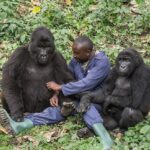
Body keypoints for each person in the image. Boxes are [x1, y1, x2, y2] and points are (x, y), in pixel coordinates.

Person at [0, 36, 113, 149]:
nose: (74, 55)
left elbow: (87, 84)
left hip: (98, 100)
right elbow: (67, 78)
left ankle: (105, 138)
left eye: (77, 53)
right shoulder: (76, 61)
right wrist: (56, 94)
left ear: (88, 52)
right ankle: (22, 125)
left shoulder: (102, 62)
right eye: (73, 52)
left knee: (87, 106)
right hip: (79, 97)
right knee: (60, 109)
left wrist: (60, 87)